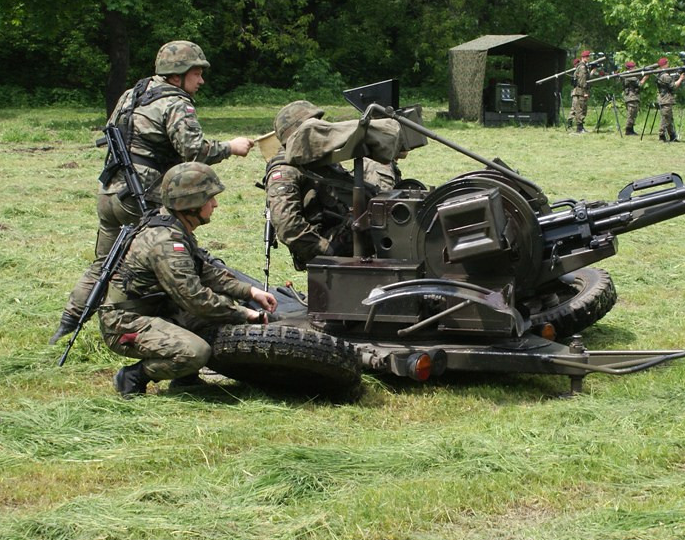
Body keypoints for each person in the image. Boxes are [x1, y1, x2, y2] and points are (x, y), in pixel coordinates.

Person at [50, 40, 255, 344]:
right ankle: (172, 327)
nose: (201, 81)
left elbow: (112, 132)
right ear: (177, 75)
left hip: (110, 191)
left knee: (104, 262)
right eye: (196, 74)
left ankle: (67, 323)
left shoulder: (133, 93)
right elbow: (192, 149)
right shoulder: (176, 103)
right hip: (143, 196)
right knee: (172, 259)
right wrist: (231, 148)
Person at [100, 162, 277, 397]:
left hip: (156, 309)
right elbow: (195, 298)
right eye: (209, 198)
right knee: (196, 351)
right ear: (191, 204)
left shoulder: (174, 227)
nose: (215, 204)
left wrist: (249, 292)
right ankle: (133, 376)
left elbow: (207, 273)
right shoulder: (167, 243)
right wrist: (244, 314)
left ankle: (185, 377)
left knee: (219, 309)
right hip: (126, 322)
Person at [264, 101, 413, 270]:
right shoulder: (285, 170)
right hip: (329, 244)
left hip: (348, 228)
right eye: (314, 125)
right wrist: (327, 249)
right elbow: (288, 226)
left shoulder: (315, 156)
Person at [655, 56, 685, 142]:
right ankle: (662, 135)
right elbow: (673, 86)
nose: (669, 65)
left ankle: (672, 135)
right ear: (665, 64)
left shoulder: (661, 74)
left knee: (669, 118)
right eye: (667, 63)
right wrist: (681, 79)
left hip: (664, 99)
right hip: (665, 99)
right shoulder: (665, 76)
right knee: (666, 118)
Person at [621, 61, 650, 136]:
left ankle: (631, 129)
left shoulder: (632, 75)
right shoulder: (629, 75)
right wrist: (645, 77)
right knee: (631, 113)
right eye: (634, 67)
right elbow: (639, 84)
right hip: (631, 97)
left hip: (633, 96)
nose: (635, 68)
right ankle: (628, 130)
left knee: (634, 114)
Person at [569, 50, 592, 134]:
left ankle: (580, 127)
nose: (588, 58)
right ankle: (579, 128)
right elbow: (582, 81)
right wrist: (585, 91)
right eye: (587, 57)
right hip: (581, 91)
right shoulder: (582, 67)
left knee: (581, 109)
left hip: (579, 90)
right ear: (583, 57)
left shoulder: (581, 66)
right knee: (581, 109)